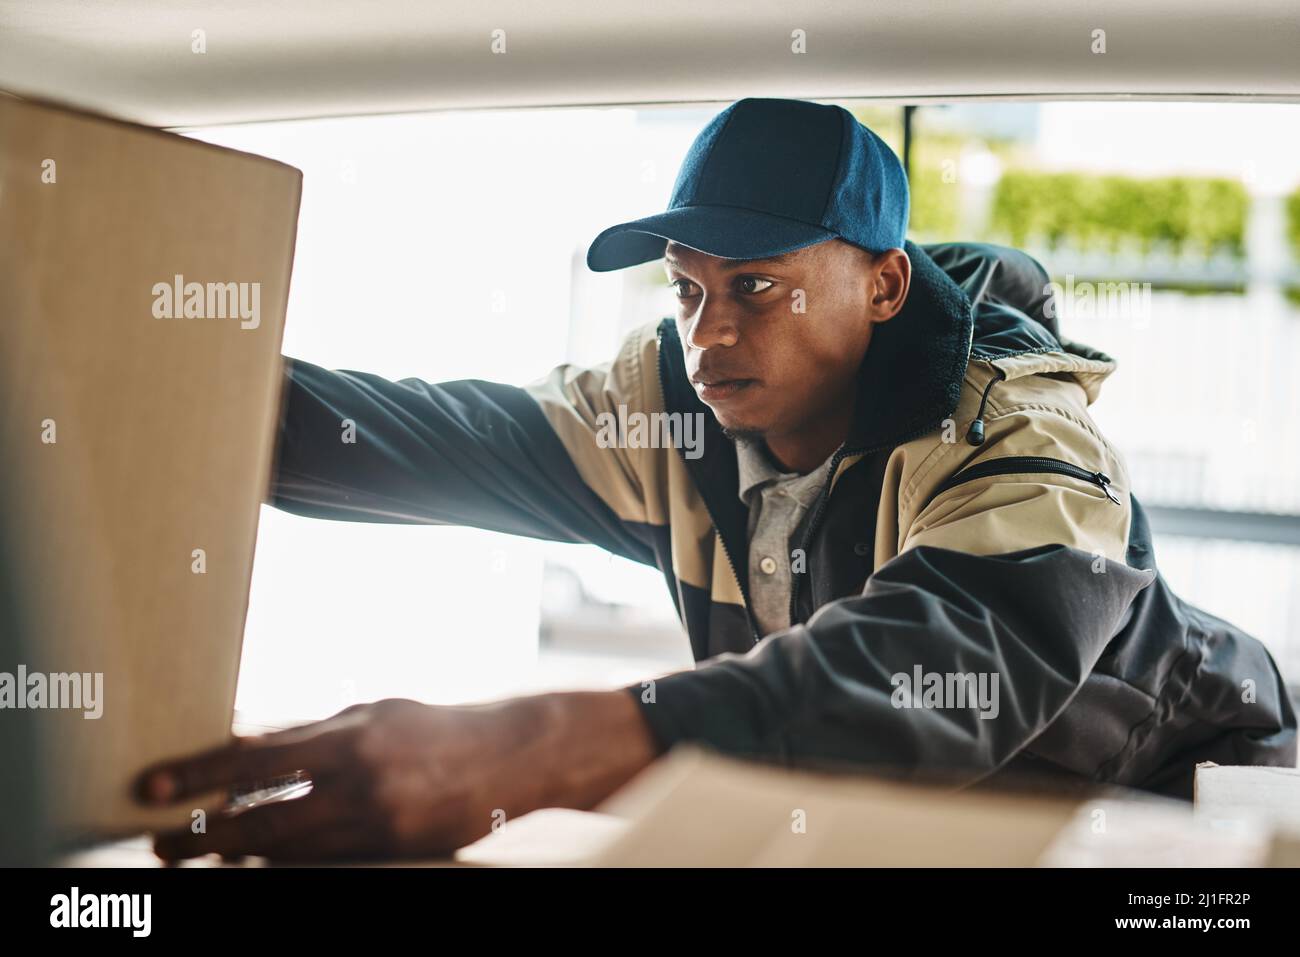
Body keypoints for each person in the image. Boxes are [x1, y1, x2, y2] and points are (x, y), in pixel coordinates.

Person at [137, 97, 1295, 862]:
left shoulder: (1016, 427)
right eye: (688, 290)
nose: (709, 335)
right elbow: (416, 436)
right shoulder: (666, 410)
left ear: (883, 288)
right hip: (931, 815)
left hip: (1189, 797)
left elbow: (954, 661)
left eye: (757, 288)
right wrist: (127, 386)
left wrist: (545, 740)